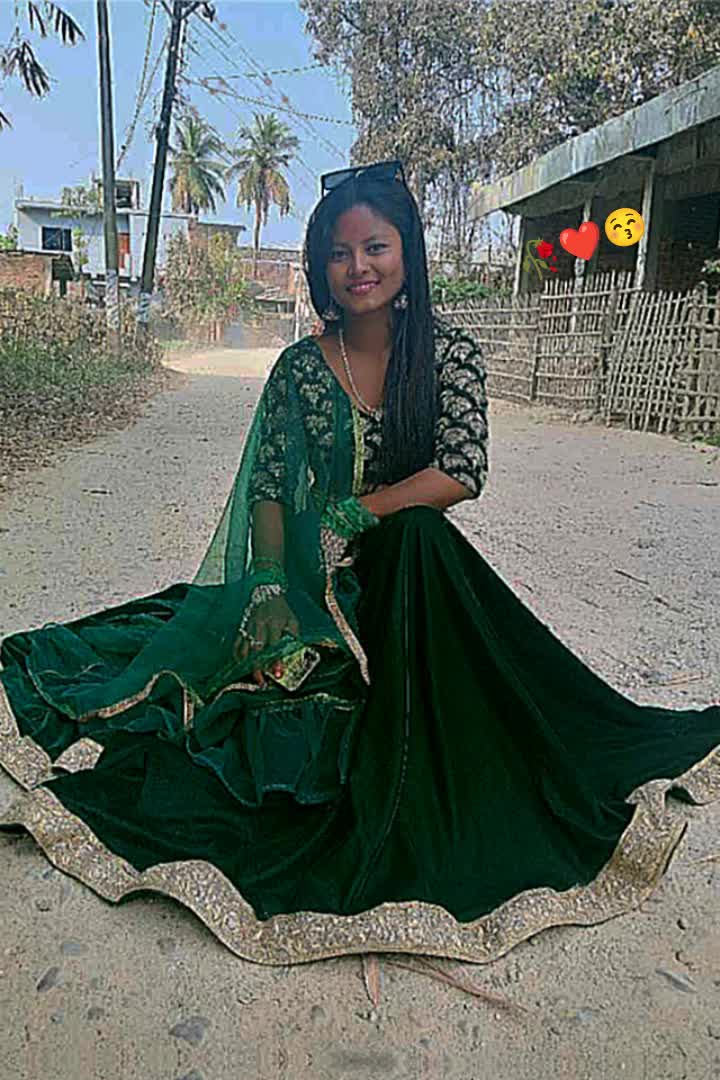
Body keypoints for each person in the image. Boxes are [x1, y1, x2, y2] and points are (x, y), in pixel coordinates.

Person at [1, 159, 718, 975]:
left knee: (419, 535)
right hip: (318, 581)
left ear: (406, 251)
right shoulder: (301, 369)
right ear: (319, 266)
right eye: (339, 254)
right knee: (230, 691)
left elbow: (461, 471)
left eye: (375, 247)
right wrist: (270, 585)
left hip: (413, 578)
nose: (359, 268)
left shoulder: (449, 354)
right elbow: (271, 487)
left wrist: (360, 511)